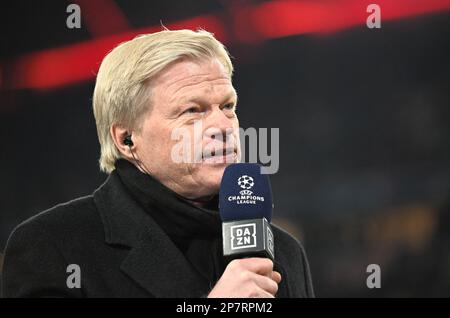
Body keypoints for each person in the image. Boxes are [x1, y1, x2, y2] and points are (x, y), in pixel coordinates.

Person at [1, 29, 314, 298]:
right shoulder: (54, 246)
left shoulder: (284, 253)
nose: (223, 125)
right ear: (127, 140)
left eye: (228, 106)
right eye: (193, 110)